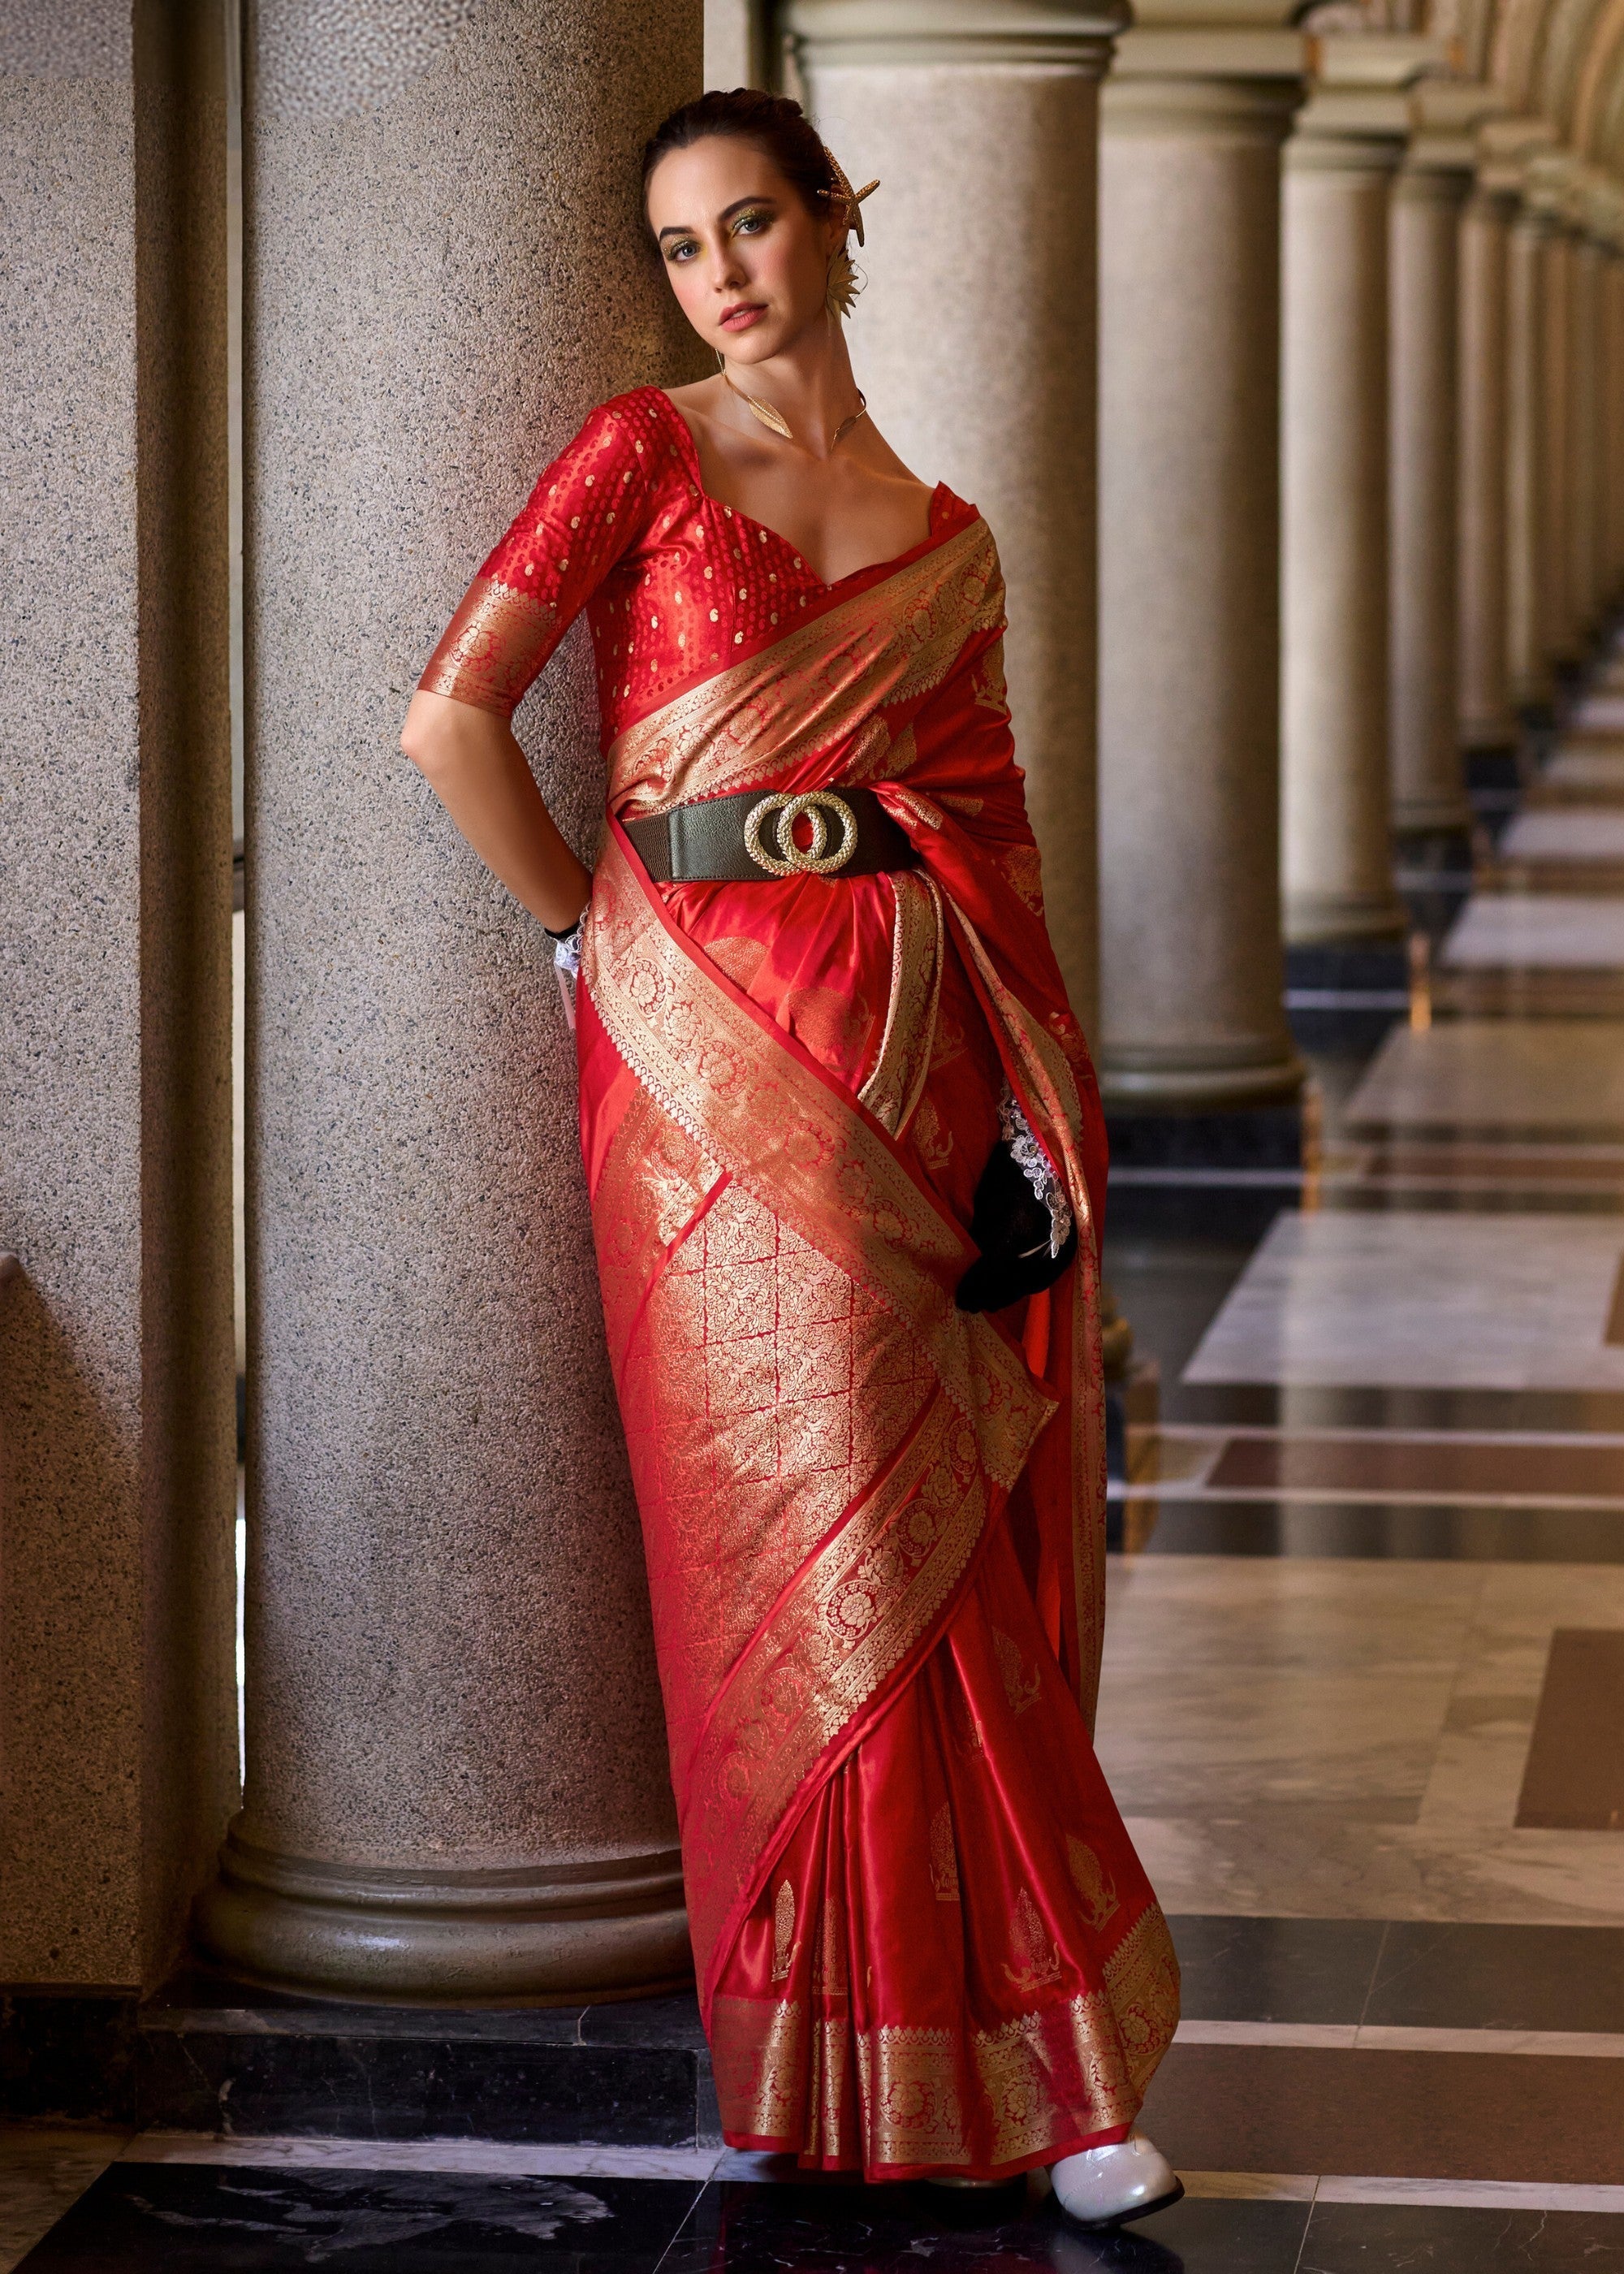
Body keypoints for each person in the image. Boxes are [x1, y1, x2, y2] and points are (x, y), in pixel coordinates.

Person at [400, 88, 1181, 2229]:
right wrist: (582, 929)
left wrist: (1032, 1109)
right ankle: (847, 2064)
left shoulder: (945, 533)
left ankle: (1041, 2073)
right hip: (700, 1055)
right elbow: (450, 718)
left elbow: (994, 833)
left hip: (921, 1049)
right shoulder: (638, 452)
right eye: (682, 244)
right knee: (806, 1567)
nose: (724, 272)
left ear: (841, 225)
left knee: (943, 1555)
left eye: (756, 224)